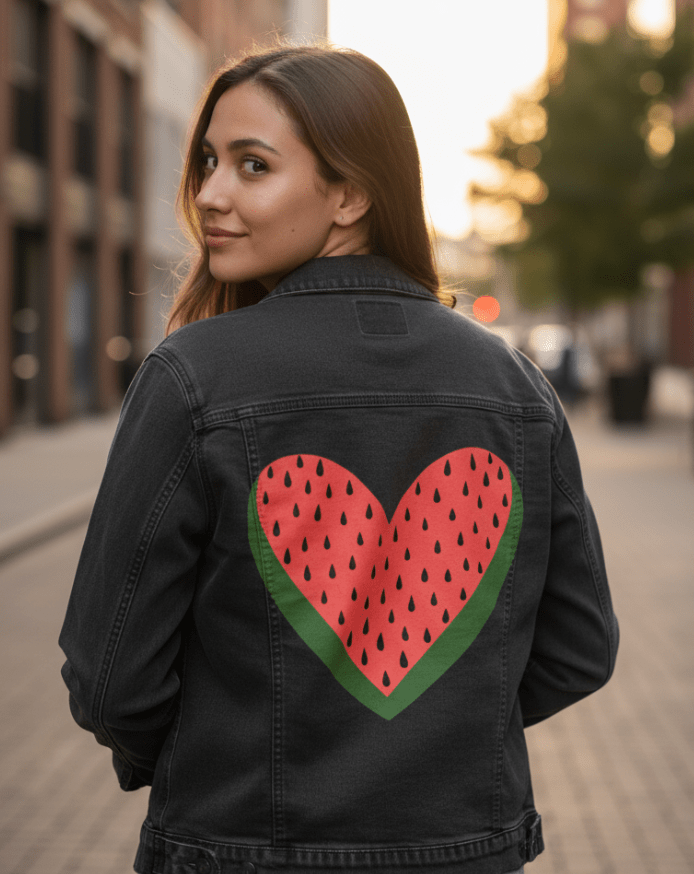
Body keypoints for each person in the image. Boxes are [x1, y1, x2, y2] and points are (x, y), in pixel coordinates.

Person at [59, 43, 619, 874]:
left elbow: (111, 680)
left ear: (352, 194)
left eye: (253, 166)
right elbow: (580, 650)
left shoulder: (192, 378)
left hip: (242, 846)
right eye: (208, 161)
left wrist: (201, 760)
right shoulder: (516, 387)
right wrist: (433, 742)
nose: (210, 194)